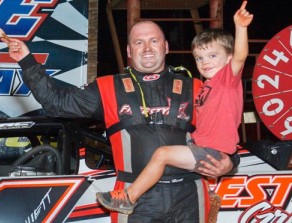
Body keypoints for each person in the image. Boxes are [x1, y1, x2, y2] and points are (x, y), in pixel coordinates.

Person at [2, 16, 240, 223]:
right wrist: (26, 60)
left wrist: (230, 162)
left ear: (166, 47)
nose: (147, 47)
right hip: (133, 199)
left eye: (153, 41)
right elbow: (57, 101)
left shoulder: (198, 87)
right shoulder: (107, 87)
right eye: (139, 42)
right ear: (129, 51)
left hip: (190, 194)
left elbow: (225, 131)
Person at [96, 0, 253, 218]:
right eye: (199, 58)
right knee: (165, 152)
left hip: (211, 152)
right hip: (202, 147)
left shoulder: (227, 80)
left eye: (213, 56)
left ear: (227, 59)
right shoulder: (204, 87)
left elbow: (240, 56)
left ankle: (129, 197)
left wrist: (241, 27)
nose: (205, 62)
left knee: (162, 154)